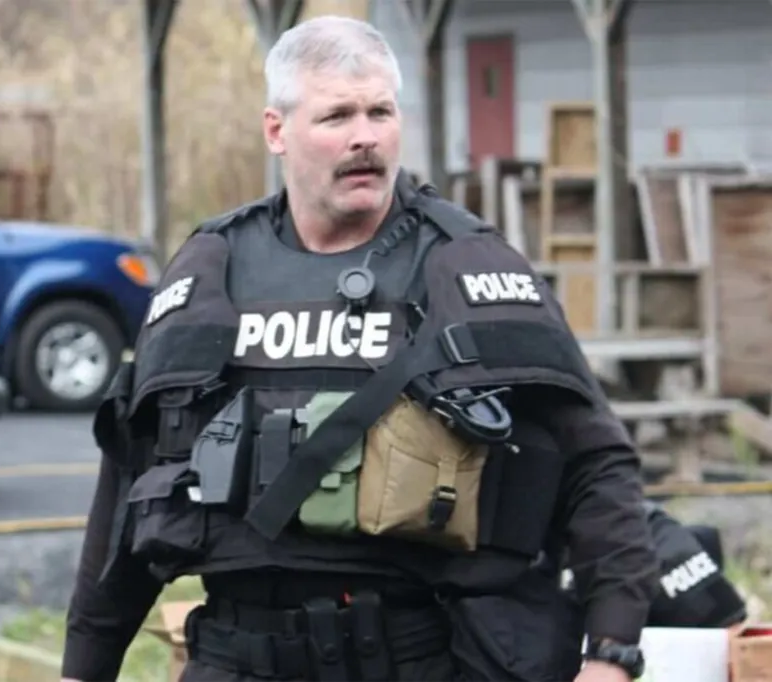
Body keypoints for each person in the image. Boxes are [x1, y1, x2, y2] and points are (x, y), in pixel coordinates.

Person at [61, 15, 660, 682]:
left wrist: (611, 652)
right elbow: (128, 480)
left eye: (380, 111)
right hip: (237, 655)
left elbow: (596, 463)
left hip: (419, 653)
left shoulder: (466, 265)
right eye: (337, 115)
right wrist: (85, 665)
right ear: (276, 131)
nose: (365, 137)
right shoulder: (211, 271)